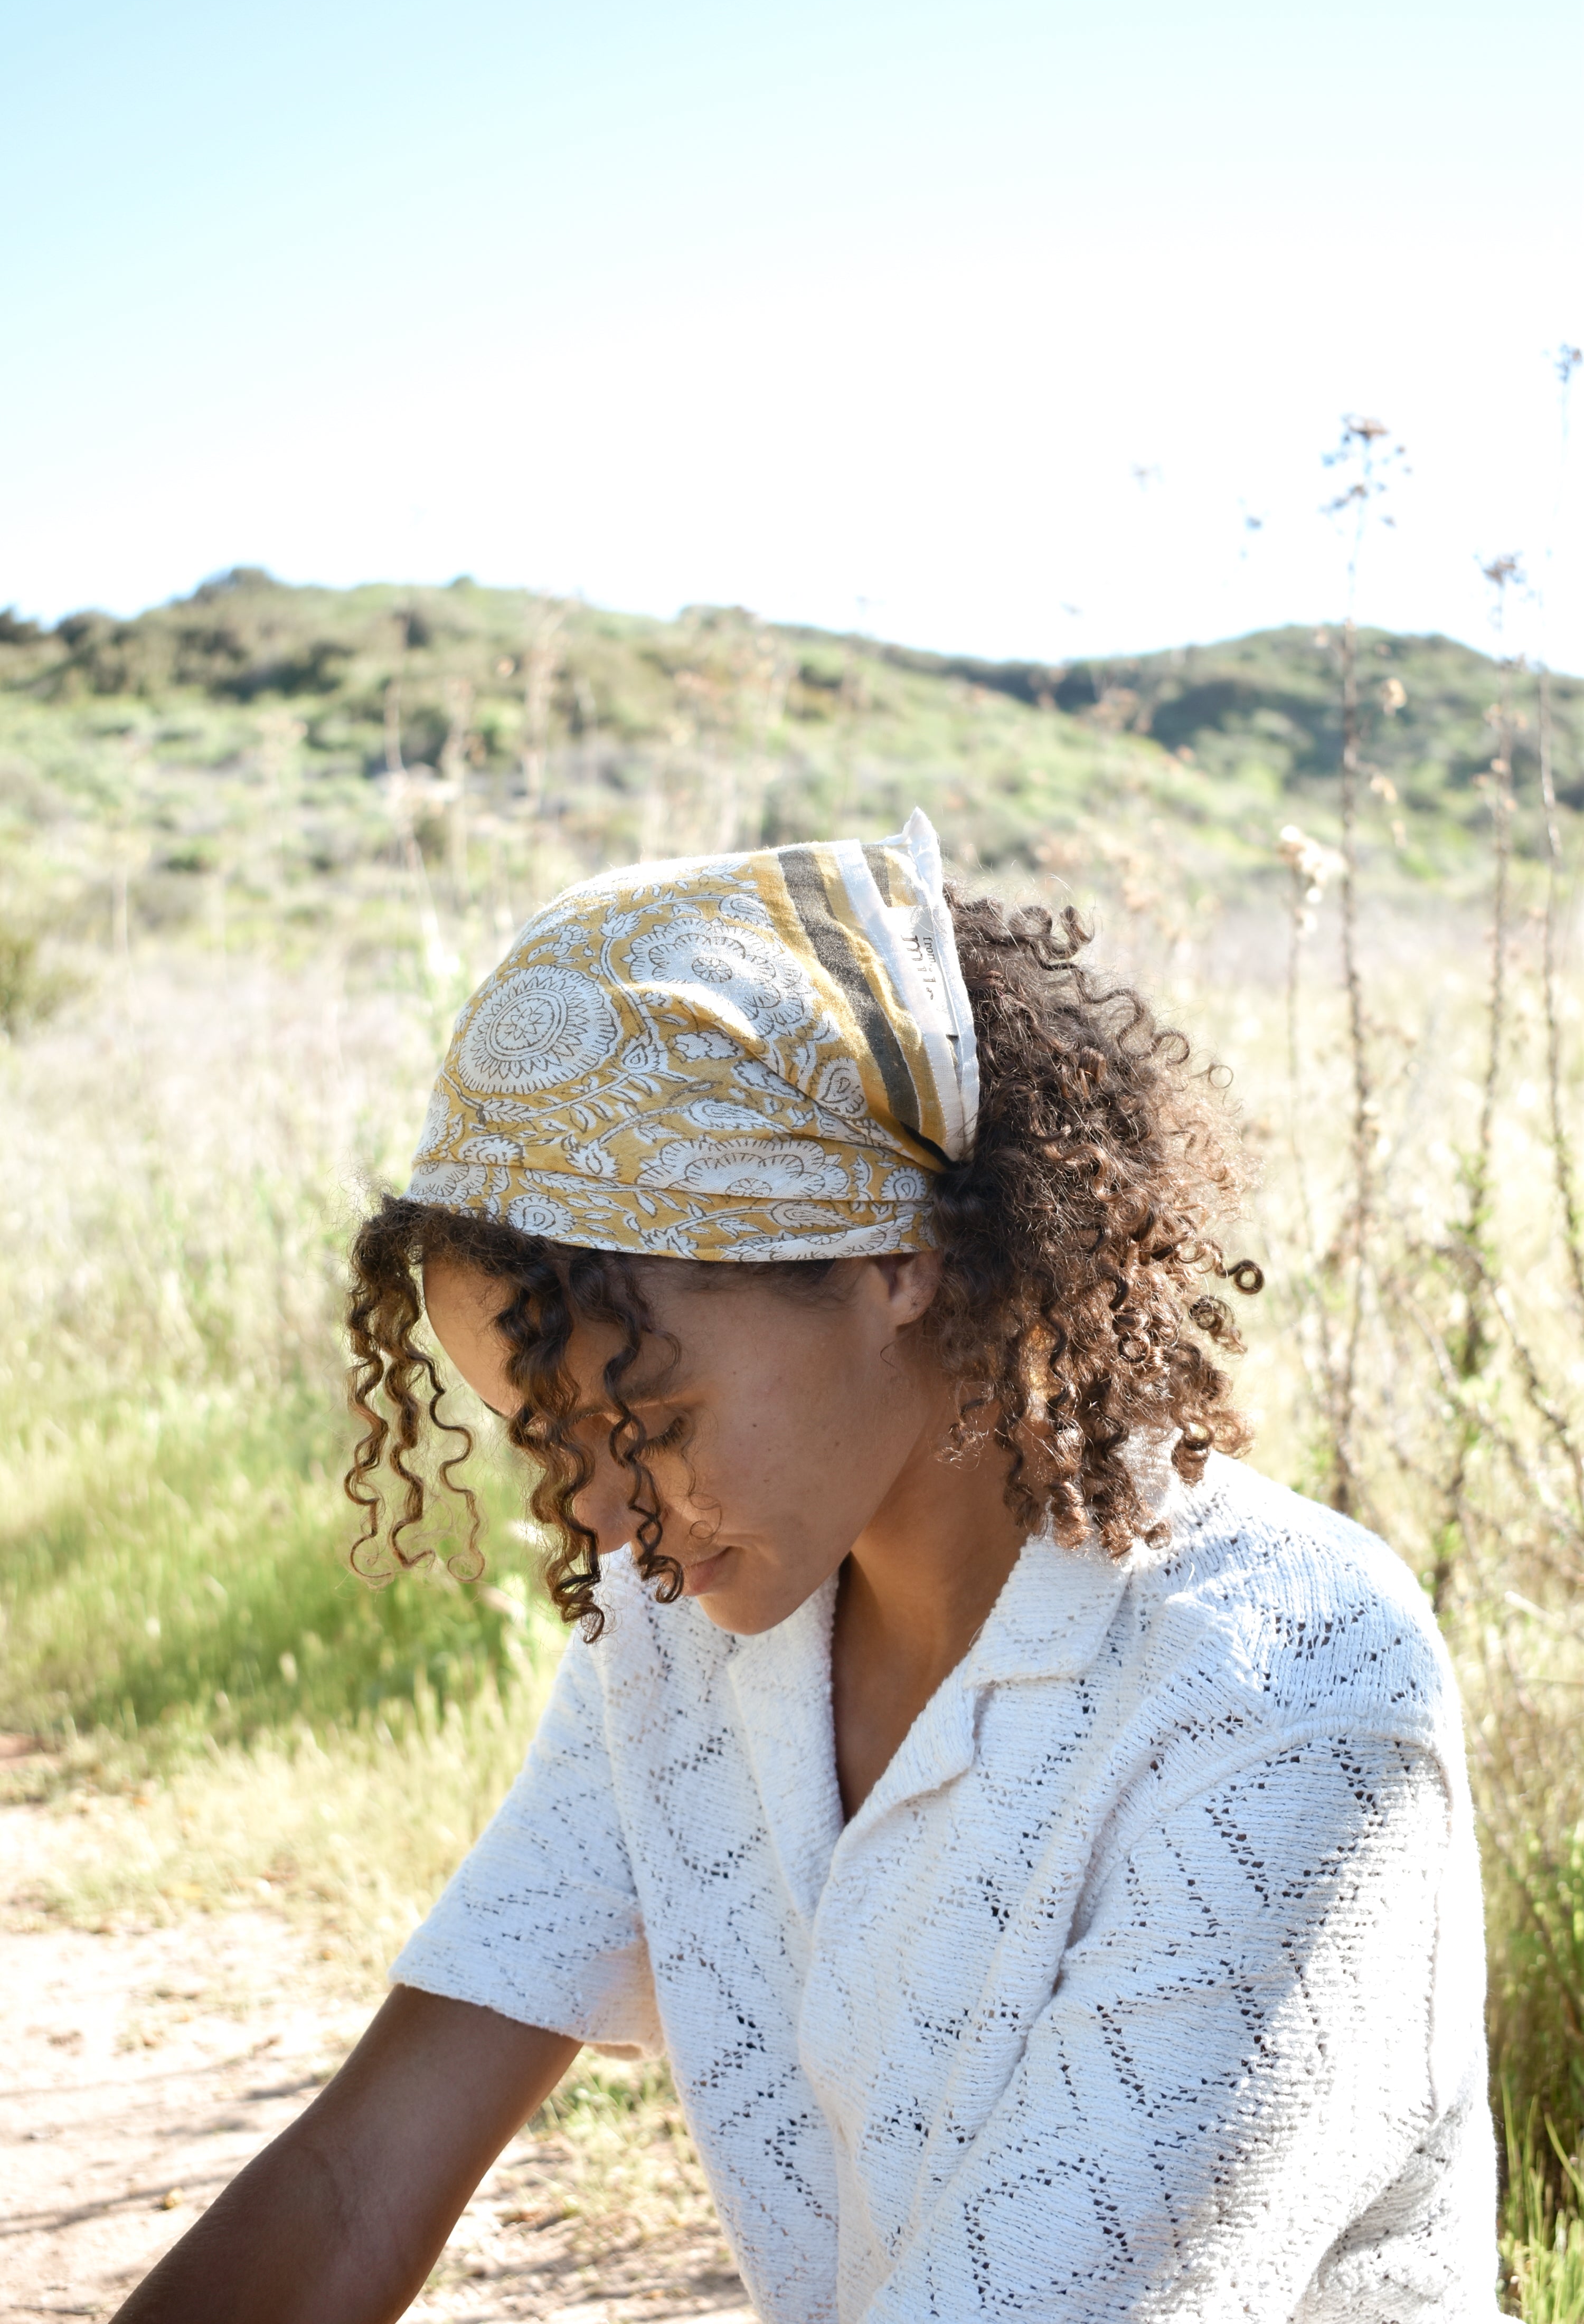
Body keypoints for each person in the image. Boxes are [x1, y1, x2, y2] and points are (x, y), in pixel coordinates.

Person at [115, 812, 1498, 2322]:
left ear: (897, 1260)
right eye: (544, 1441)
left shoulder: (1288, 1685)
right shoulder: (689, 1638)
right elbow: (355, 2185)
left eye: (650, 1418)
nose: (599, 1516)